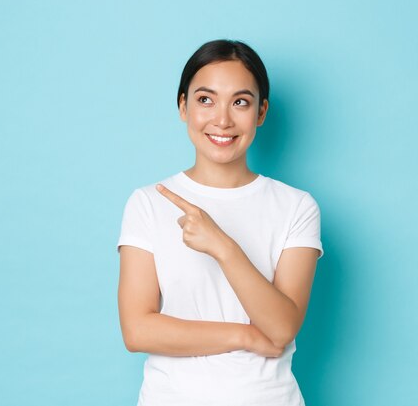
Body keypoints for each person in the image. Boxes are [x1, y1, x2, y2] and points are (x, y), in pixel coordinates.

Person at [116, 39, 324, 406]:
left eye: (240, 102)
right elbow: (137, 330)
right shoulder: (148, 203)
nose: (223, 119)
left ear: (261, 112)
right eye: (205, 99)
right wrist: (242, 336)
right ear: (183, 106)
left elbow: (281, 328)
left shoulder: (296, 207)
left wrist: (223, 247)